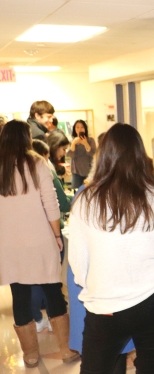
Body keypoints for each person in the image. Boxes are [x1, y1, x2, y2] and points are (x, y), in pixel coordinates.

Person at [69, 123, 154, 374]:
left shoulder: (86, 201)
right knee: (153, 369)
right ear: (139, 155)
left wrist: (93, 286)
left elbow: (78, 263)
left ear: (103, 155)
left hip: (106, 304)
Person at [0, 120, 79, 368]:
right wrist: (57, 235)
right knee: (53, 293)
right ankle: (66, 350)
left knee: (20, 295)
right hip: (40, 240)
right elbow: (51, 203)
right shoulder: (38, 163)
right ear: (26, 138)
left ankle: (31, 354)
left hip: (9, 244)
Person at [30, 139, 72, 332]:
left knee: (31, 281)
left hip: (30, 234)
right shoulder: (45, 171)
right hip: (47, 231)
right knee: (50, 281)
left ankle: (37, 318)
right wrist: (57, 235)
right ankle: (56, 324)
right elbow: (58, 204)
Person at [67, 119, 96, 189]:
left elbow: (93, 154)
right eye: (77, 127)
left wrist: (85, 143)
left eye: (82, 127)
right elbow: (71, 155)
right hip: (76, 171)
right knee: (76, 191)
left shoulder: (91, 140)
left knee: (89, 191)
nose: (80, 129)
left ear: (85, 129)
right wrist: (73, 143)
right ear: (74, 129)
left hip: (89, 171)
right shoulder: (71, 141)